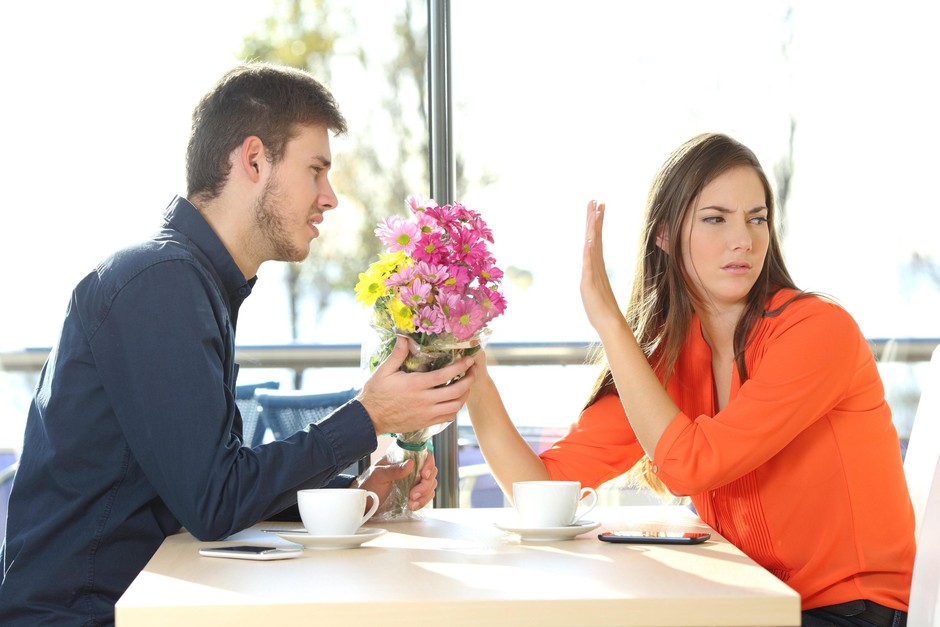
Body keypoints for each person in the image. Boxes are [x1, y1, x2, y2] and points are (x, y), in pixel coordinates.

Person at [0, 62, 476, 626]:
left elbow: (209, 484)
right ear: (253, 160)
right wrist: (367, 416)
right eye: (316, 170)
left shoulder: (191, 283)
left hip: (138, 602)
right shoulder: (161, 283)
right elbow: (214, 503)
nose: (331, 198)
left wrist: (356, 496)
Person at [467, 133, 914, 626]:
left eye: (757, 218)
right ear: (664, 234)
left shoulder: (816, 331)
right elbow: (541, 490)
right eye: (715, 219)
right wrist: (474, 379)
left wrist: (610, 323)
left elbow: (691, 466)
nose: (743, 239)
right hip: (753, 605)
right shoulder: (672, 357)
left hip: (852, 612)